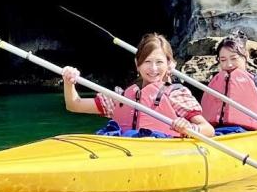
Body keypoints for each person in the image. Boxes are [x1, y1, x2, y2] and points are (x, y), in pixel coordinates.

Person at [62, 33, 216, 138]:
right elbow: (74, 105)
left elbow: (209, 130)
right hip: (127, 150)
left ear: (169, 64)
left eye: (159, 62)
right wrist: (69, 82)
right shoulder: (123, 97)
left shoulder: (175, 94)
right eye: (147, 62)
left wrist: (189, 128)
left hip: (161, 152)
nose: (153, 69)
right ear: (137, 64)